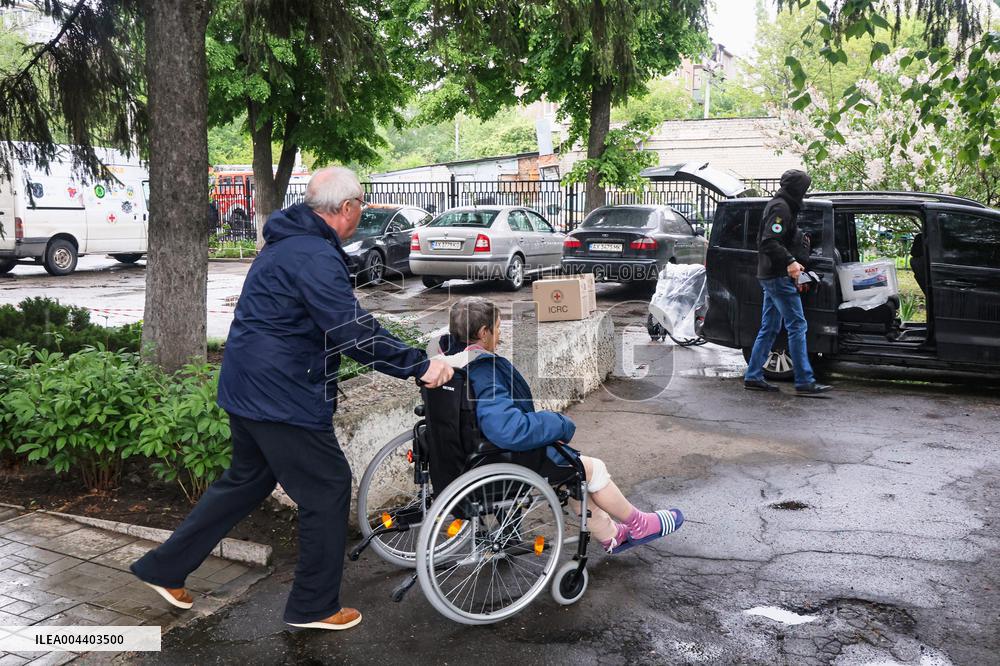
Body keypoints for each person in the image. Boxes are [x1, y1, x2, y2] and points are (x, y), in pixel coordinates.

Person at [130, 167, 454, 631]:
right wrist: (419, 365)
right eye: (360, 203)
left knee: (246, 482)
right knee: (326, 486)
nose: (361, 211)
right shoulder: (313, 256)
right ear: (346, 208)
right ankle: (314, 606)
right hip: (281, 396)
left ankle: (164, 568)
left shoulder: (286, 244)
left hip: (248, 388)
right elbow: (350, 332)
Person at [428, 296, 683, 554]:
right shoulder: (484, 373)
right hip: (498, 461)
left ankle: (612, 535)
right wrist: (558, 424)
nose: (500, 333)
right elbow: (508, 430)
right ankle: (639, 523)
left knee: (574, 474)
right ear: (483, 333)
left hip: (458, 461)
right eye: (497, 328)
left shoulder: (446, 368)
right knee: (591, 469)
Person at [744, 169, 832, 396]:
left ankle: (753, 376)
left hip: (771, 275)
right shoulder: (781, 208)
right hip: (777, 276)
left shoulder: (783, 205)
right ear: (797, 188)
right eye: (804, 188)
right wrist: (791, 261)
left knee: (770, 327)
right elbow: (769, 242)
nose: (805, 192)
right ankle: (804, 381)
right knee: (797, 325)